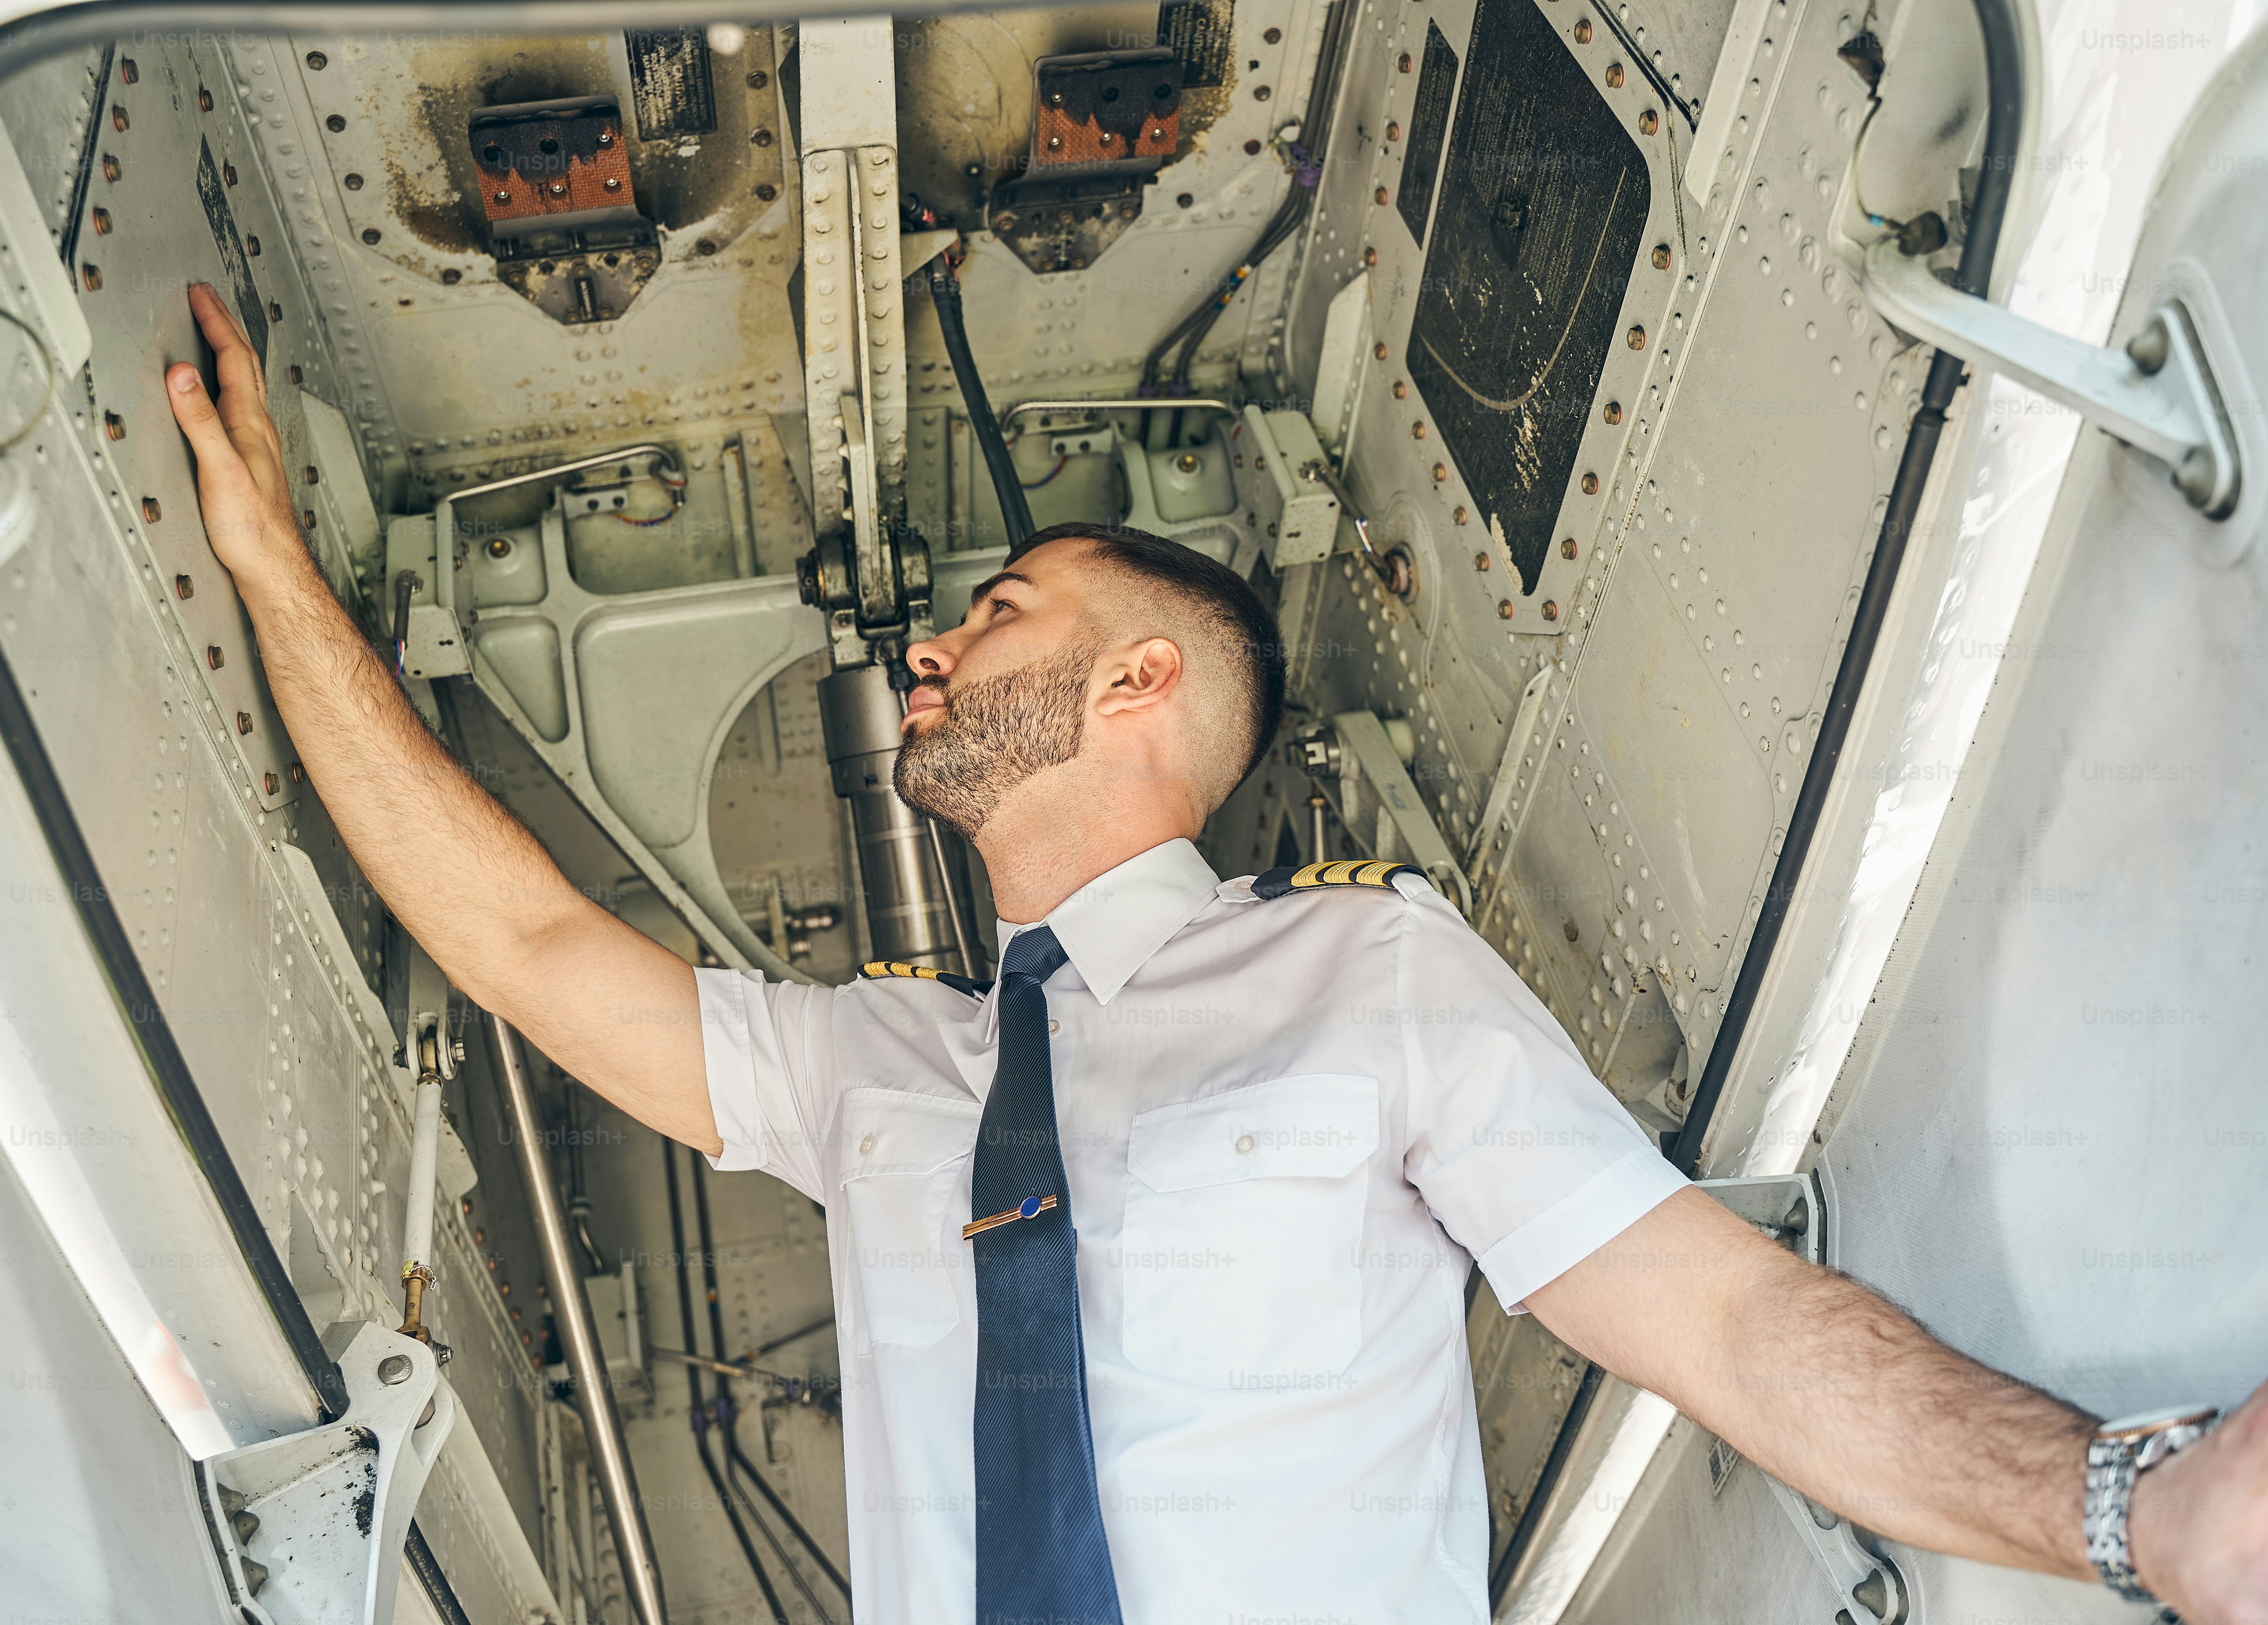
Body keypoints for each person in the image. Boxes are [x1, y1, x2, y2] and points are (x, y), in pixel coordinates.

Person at [163, 283, 2265, 1624]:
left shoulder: (1378, 984)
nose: (924, 645)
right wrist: (266, 565)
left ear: (1141, 676)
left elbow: (1719, 1328)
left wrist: (2126, 1515)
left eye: (994, 613)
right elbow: (522, 942)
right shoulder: (870, 1079)